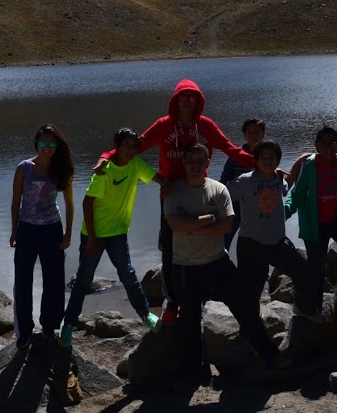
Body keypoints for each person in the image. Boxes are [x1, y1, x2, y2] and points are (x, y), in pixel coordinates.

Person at [94, 79, 253, 326]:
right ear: (176, 100)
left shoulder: (206, 126)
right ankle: (173, 303)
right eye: (183, 97)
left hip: (201, 196)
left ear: (198, 100)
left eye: (192, 97)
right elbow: (134, 148)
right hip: (171, 197)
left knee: (208, 246)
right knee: (170, 252)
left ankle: (206, 294)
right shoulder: (164, 125)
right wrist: (106, 157)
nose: (187, 101)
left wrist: (262, 166)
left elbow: (231, 149)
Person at [164, 144, 284, 386]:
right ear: (184, 164)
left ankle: (271, 356)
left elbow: (226, 226)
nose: (195, 165)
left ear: (207, 163)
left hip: (218, 261)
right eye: (190, 161)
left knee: (245, 309)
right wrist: (209, 218)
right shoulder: (174, 191)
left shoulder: (219, 190)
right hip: (185, 266)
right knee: (189, 321)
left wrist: (191, 225)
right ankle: (196, 371)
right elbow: (175, 225)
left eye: (200, 161)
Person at [58, 128, 163, 348]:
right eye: (126, 146)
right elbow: (87, 203)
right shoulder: (104, 170)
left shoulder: (135, 165)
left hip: (118, 233)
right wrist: (92, 237)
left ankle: (145, 315)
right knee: (83, 280)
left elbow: (159, 180)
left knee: (128, 275)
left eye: (134, 146)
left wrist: (184, 187)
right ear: (117, 146)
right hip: (94, 234)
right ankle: (68, 325)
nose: (131, 150)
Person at [229, 139, 323, 323]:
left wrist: (299, 161)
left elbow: (288, 182)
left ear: (278, 160)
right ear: (256, 160)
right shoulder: (245, 181)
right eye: (263, 158)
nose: (267, 161)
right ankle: (250, 325)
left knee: (305, 274)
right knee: (252, 290)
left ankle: (303, 308)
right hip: (251, 245)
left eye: (272, 158)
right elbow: (222, 196)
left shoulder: (277, 178)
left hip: (277, 243)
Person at [10, 124, 75, 348]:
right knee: (23, 281)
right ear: (36, 144)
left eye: (52, 144)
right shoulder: (23, 168)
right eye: (43, 143)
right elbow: (15, 202)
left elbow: (69, 203)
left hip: (51, 229)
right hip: (27, 230)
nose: (47, 147)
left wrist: (68, 233)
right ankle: (24, 331)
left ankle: (49, 327)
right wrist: (14, 230)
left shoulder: (61, 169)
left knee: (54, 281)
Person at [285, 126, 337, 313]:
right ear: (316, 146)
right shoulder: (309, 165)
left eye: (332, 143)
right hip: (315, 225)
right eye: (323, 143)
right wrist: (282, 214)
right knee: (316, 269)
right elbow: (297, 195)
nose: (328, 147)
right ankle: (312, 308)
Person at [220, 118, 266, 250]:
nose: (253, 136)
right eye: (249, 133)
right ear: (245, 135)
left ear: (263, 134)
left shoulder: (268, 155)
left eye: (256, 132)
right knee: (224, 240)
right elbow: (224, 180)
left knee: (257, 242)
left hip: (258, 206)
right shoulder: (236, 155)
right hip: (236, 205)